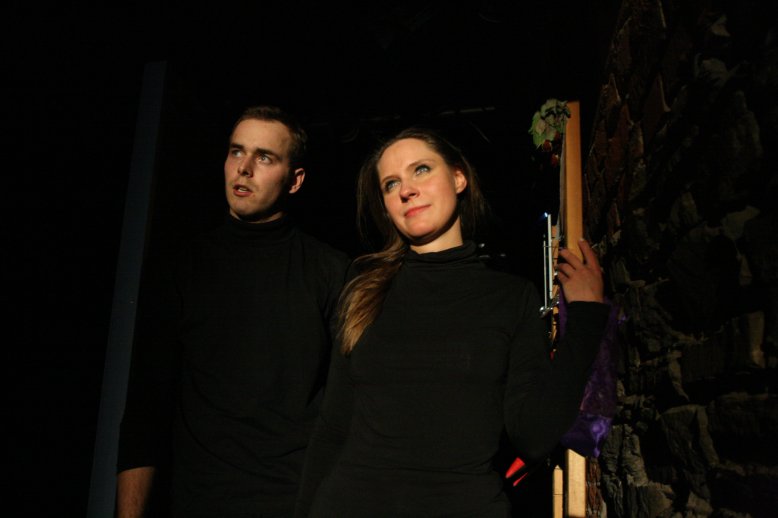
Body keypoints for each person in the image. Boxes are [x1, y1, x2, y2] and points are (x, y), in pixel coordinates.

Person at [294, 127, 609, 517]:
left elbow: (534, 436)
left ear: (459, 178)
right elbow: (332, 429)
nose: (406, 190)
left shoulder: (510, 298)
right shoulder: (363, 294)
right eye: (391, 184)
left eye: (421, 169)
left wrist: (587, 319)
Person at [116, 105, 350, 518]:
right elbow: (145, 410)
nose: (244, 168)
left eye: (265, 157)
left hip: (295, 503)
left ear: (295, 180)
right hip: (198, 502)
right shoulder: (182, 267)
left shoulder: (331, 272)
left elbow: (349, 409)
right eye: (236, 151)